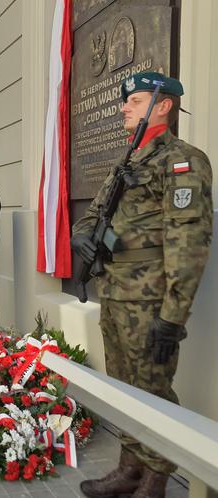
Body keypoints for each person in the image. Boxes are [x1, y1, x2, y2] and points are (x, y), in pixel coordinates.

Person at [72, 72, 213, 498]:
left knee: (152, 389)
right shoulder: (127, 162)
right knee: (123, 387)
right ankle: (129, 468)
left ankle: (155, 477)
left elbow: (189, 242)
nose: (123, 108)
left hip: (150, 297)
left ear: (162, 105)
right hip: (115, 292)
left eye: (133, 101)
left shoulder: (184, 160)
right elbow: (94, 214)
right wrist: (83, 234)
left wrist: (173, 316)